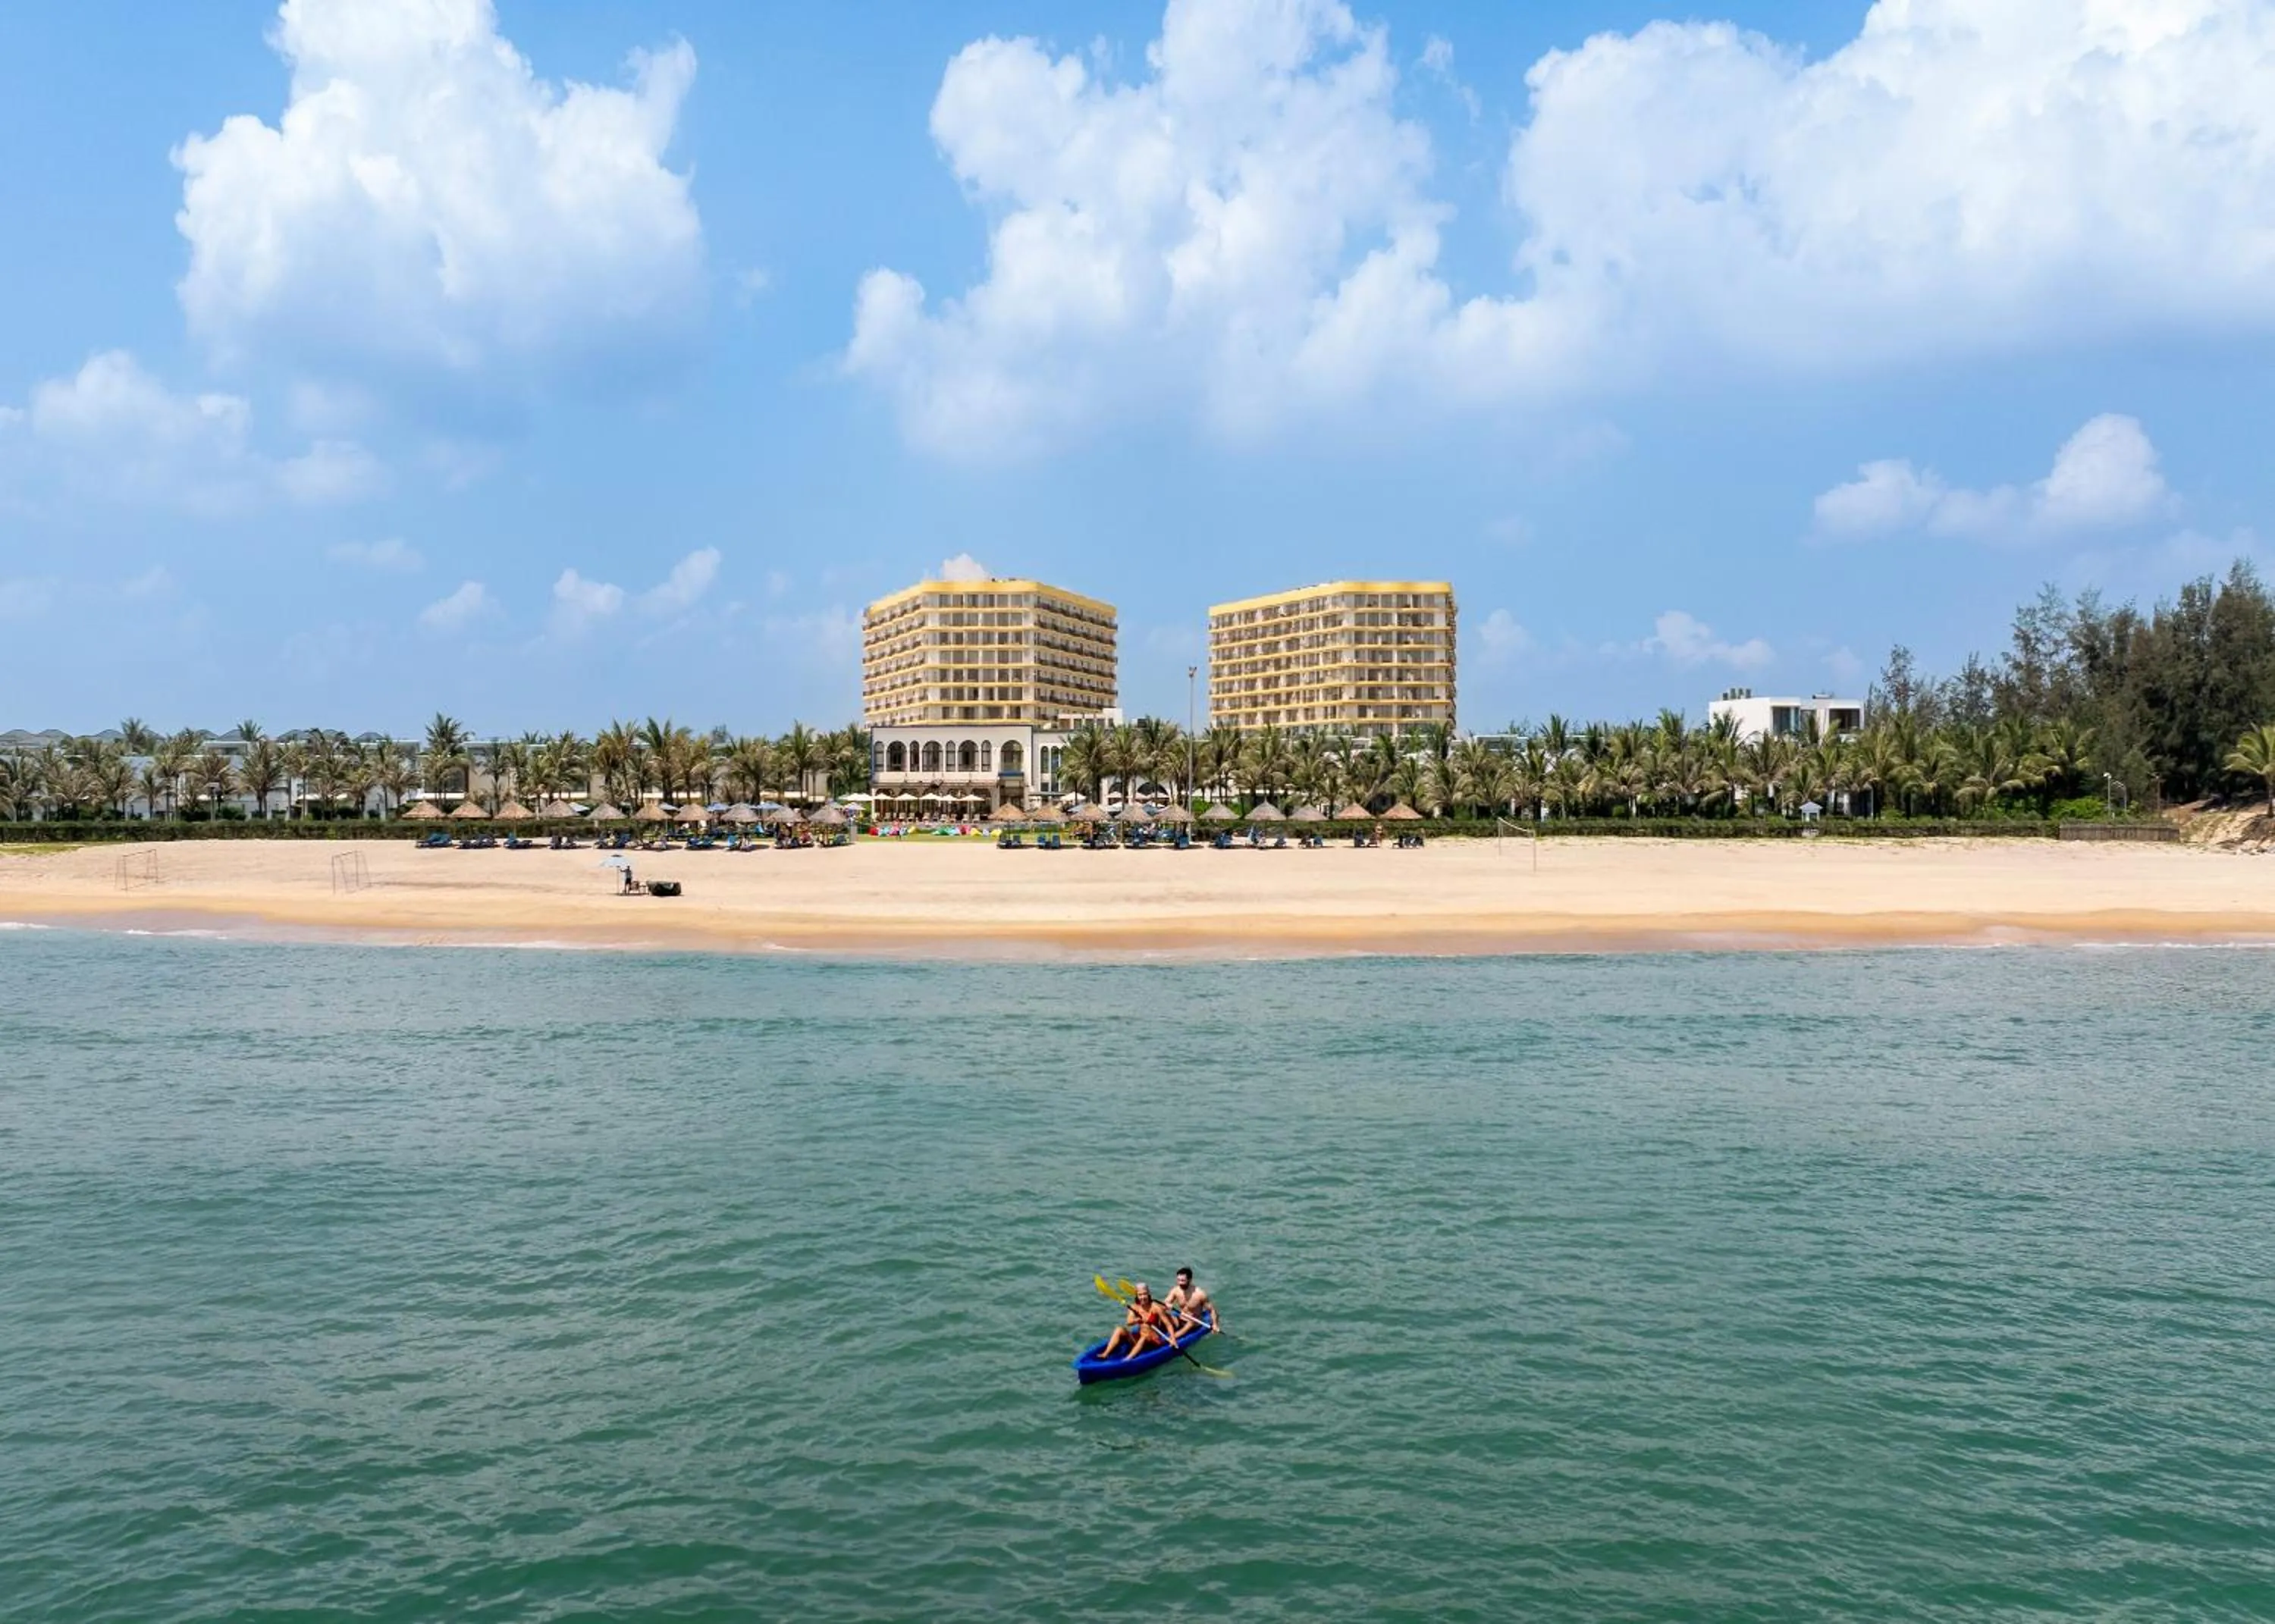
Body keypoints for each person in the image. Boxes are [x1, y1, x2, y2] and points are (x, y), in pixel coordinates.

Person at [1100, 1281, 1178, 1361]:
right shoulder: (1135, 1307)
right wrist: (1138, 1320)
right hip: (1140, 1338)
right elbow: (1129, 1322)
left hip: (1153, 1341)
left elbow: (1168, 1325)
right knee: (1119, 1329)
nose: (1143, 1297)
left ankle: (1127, 1360)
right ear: (1137, 1295)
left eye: (1145, 1294)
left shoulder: (1155, 1307)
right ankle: (1105, 1354)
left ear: (1149, 1294)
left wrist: (1173, 1339)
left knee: (1144, 1337)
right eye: (1140, 1295)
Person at [1163, 1267, 1222, 1337]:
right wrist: (1167, 1304)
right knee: (1161, 1312)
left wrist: (1215, 1324)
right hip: (1181, 1319)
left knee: (1191, 1323)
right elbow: (1165, 1302)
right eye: (1178, 1280)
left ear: (1190, 1280)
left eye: (1183, 1280)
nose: (1180, 1283)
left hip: (1194, 1323)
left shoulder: (1200, 1294)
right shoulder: (1176, 1290)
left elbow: (1212, 1310)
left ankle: (1173, 1337)